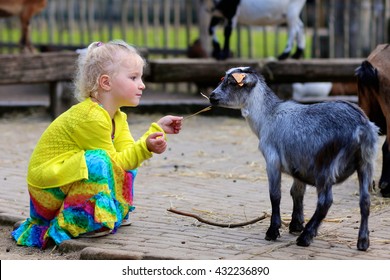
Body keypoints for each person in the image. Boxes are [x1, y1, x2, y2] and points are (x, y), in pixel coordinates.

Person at [12, 40, 183, 249]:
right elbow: (113, 163)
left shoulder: (117, 117)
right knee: (99, 161)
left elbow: (127, 159)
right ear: (106, 82)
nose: (142, 84)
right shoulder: (91, 116)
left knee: (126, 163)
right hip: (46, 190)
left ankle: (111, 212)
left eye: (140, 77)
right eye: (133, 77)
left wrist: (154, 132)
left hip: (65, 178)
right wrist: (145, 146)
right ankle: (82, 221)